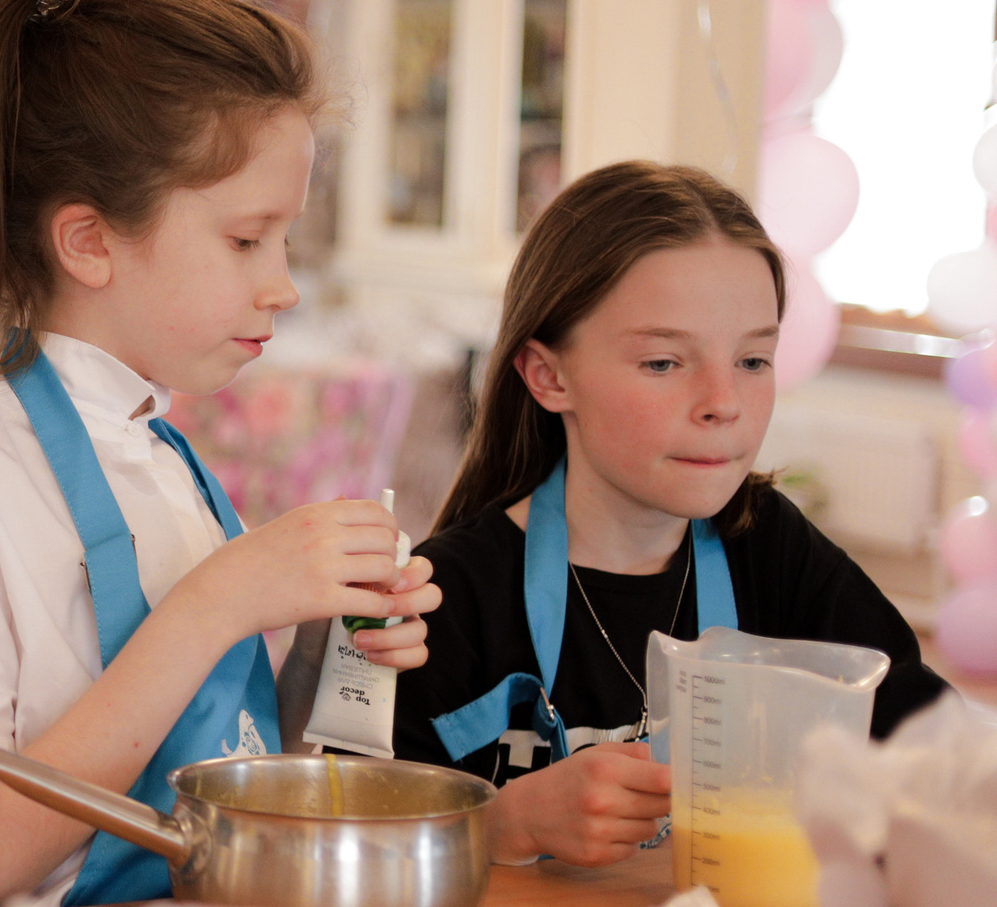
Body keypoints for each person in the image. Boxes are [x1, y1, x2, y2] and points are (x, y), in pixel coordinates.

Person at [0, 0, 438, 907]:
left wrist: (334, 638)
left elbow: (222, 765)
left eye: (285, 240)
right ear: (89, 243)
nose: (282, 284)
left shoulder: (161, 456)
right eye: (248, 241)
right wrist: (217, 601)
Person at [392, 161, 946, 866]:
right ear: (550, 376)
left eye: (752, 359)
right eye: (663, 362)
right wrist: (508, 823)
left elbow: (936, 751)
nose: (724, 401)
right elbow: (350, 844)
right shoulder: (446, 597)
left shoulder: (768, 548)